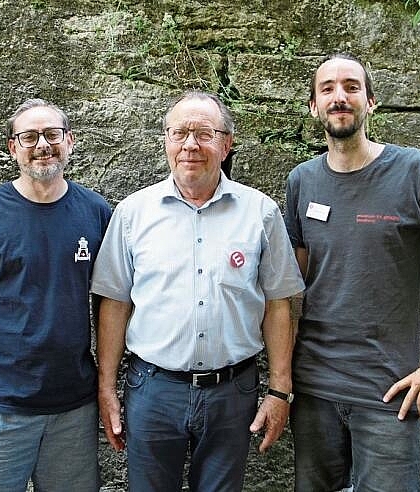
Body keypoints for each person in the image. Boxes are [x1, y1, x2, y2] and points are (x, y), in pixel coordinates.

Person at [91, 90, 305, 492]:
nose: (190, 144)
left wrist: (280, 390)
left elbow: (279, 303)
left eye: (204, 134)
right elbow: (114, 302)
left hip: (232, 392)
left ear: (226, 145)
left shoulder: (261, 213)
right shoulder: (133, 214)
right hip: (153, 390)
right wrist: (106, 389)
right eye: (180, 133)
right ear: (167, 142)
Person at [284, 52, 420, 492]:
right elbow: (292, 290)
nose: (339, 97)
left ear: (371, 101)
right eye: (328, 88)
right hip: (314, 390)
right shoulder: (301, 181)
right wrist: (283, 379)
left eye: (351, 87)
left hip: (389, 393)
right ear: (314, 106)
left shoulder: (415, 172)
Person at [0, 98, 112, 491]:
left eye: (52, 134)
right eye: (29, 137)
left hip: (73, 405)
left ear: (70, 141)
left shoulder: (97, 213)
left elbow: (111, 304)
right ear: (13, 147)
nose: (42, 145)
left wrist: (107, 386)